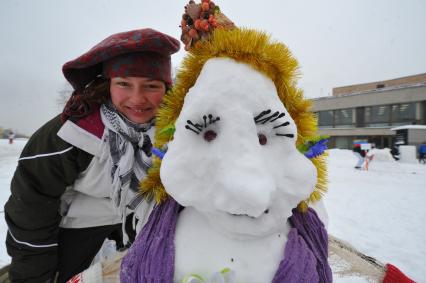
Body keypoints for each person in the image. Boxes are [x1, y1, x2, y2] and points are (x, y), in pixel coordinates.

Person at [4, 28, 180, 282]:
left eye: (151, 86)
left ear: (167, 89)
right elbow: (30, 205)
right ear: (107, 84)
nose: (137, 98)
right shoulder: (72, 133)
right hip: (73, 230)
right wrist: (33, 272)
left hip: (142, 225)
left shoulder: (178, 131)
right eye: (124, 84)